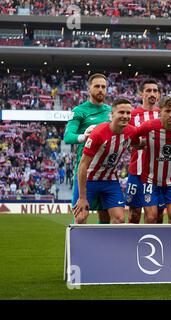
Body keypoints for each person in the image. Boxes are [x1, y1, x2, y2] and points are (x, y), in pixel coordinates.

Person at [73, 99, 138, 224]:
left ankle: (111, 244)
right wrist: (82, 197)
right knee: (80, 218)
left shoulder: (131, 131)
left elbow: (139, 143)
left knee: (119, 219)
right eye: (121, 112)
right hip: (89, 180)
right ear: (112, 114)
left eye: (128, 113)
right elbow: (83, 165)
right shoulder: (98, 133)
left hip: (110, 181)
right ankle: (78, 243)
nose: (125, 116)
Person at [136, 96, 171, 224]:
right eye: (167, 111)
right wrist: (140, 144)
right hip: (150, 179)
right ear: (160, 111)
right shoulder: (149, 126)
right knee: (151, 218)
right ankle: (148, 242)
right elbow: (133, 136)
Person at [63, 73, 112, 223]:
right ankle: (76, 246)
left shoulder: (111, 111)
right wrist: (83, 137)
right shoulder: (79, 110)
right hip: (86, 172)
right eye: (97, 86)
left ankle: (102, 246)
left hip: (106, 173)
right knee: (80, 218)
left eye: (103, 87)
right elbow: (68, 136)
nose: (100, 90)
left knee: (106, 219)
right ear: (89, 89)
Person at [126, 78, 164, 224]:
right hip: (137, 171)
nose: (152, 93)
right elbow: (126, 140)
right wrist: (139, 143)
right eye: (148, 90)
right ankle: (130, 244)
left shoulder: (164, 114)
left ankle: (157, 245)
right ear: (141, 93)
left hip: (158, 173)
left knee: (157, 216)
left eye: (155, 91)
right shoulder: (131, 115)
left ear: (159, 95)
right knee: (134, 214)